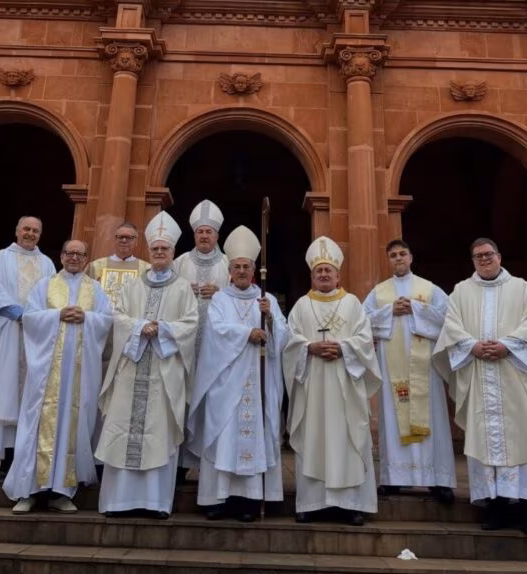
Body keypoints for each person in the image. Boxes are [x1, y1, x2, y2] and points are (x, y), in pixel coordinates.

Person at [433, 237, 527, 536]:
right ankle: (496, 507)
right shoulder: (461, 292)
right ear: (473, 261)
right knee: (485, 441)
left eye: (488, 254)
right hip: (481, 378)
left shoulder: (522, 288)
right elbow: (451, 326)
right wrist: (472, 346)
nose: (484, 259)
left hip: (518, 380)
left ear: (499, 256)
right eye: (478, 256)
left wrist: (507, 345)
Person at [95, 211, 198, 518]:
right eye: (155, 249)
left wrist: (162, 329)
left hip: (165, 372)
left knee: (159, 433)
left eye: (164, 249)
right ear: (149, 251)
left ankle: (155, 503)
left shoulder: (183, 288)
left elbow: (190, 324)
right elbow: (118, 316)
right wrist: (141, 327)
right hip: (132, 367)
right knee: (122, 430)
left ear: (173, 252)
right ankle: (118, 502)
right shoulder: (133, 286)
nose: (160, 253)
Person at [3, 240, 112, 513]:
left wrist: (87, 317)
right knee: (36, 426)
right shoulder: (44, 286)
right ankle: (28, 492)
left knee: (72, 427)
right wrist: (57, 315)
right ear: (61, 256)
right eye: (69, 253)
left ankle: (62, 492)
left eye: (80, 254)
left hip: (79, 377)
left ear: (86, 258)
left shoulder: (96, 289)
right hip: (45, 376)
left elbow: (107, 320)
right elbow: (29, 317)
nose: (74, 257)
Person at [188, 225, 288, 522]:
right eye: (237, 267)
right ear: (229, 271)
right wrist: (247, 334)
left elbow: (285, 337)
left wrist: (270, 320)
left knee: (254, 438)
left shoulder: (266, 300)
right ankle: (217, 499)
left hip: (258, 384)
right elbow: (215, 331)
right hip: (226, 383)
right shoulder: (220, 300)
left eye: (246, 266)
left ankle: (249, 501)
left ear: (254, 271)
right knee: (224, 439)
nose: (242, 271)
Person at [283, 237, 381, 526]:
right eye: (319, 271)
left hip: (345, 386)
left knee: (347, 439)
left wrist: (343, 348)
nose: (324, 274)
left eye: (328, 270)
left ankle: (351, 505)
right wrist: (309, 347)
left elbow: (365, 340)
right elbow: (290, 343)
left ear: (338, 275)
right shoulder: (301, 306)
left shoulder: (353, 304)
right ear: (312, 276)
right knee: (313, 439)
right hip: (312, 386)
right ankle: (311, 504)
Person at [0, 216, 55, 482]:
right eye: (26, 229)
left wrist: (37, 318)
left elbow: (53, 296)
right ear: (17, 231)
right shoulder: (0, 259)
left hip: (32, 339)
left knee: (24, 397)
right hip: (1, 335)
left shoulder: (47, 264)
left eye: (35, 230)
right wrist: (17, 312)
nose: (30, 233)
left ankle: (10, 459)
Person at [363, 239, 455, 503]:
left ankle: (438, 480)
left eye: (402, 254)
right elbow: (360, 321)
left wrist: (416, 308)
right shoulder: (379, 293)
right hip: (392, 369)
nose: (398, 258)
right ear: (388, 260)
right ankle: (394, 478)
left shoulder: (430, 289)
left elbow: (449, 318)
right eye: (393, 255)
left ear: (411, 257)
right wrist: (389, 311)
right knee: (393, 418)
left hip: (426, 370)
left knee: (433, 418)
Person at [174, 199, 229, 475]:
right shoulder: (179, 263)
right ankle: (179, 465)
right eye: (200, 232)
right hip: (184, 349)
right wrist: (184, 291)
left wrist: (220, 293)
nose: (204, 236)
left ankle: (208, 465)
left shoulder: (230, 265)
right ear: (194, 234)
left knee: (210, 401)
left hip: (214, 350)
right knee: (181, 399)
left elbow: (242, 300)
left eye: (209, 231)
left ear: (217, 235)